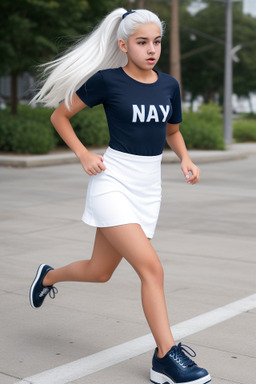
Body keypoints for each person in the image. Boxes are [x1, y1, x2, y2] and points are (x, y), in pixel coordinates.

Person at [29, 8, 211, 384]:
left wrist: (187, 159)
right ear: (123, 45)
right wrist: (83, 154)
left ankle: (47, 278)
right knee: (152, 269)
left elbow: (172, 130)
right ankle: (166, 356)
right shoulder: (107, 81)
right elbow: (59, 118)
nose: (151, 49)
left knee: (100, 272)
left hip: (148, 187)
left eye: (156, 41)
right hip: (112, 182)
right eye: (142, 42)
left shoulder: (168, 85)